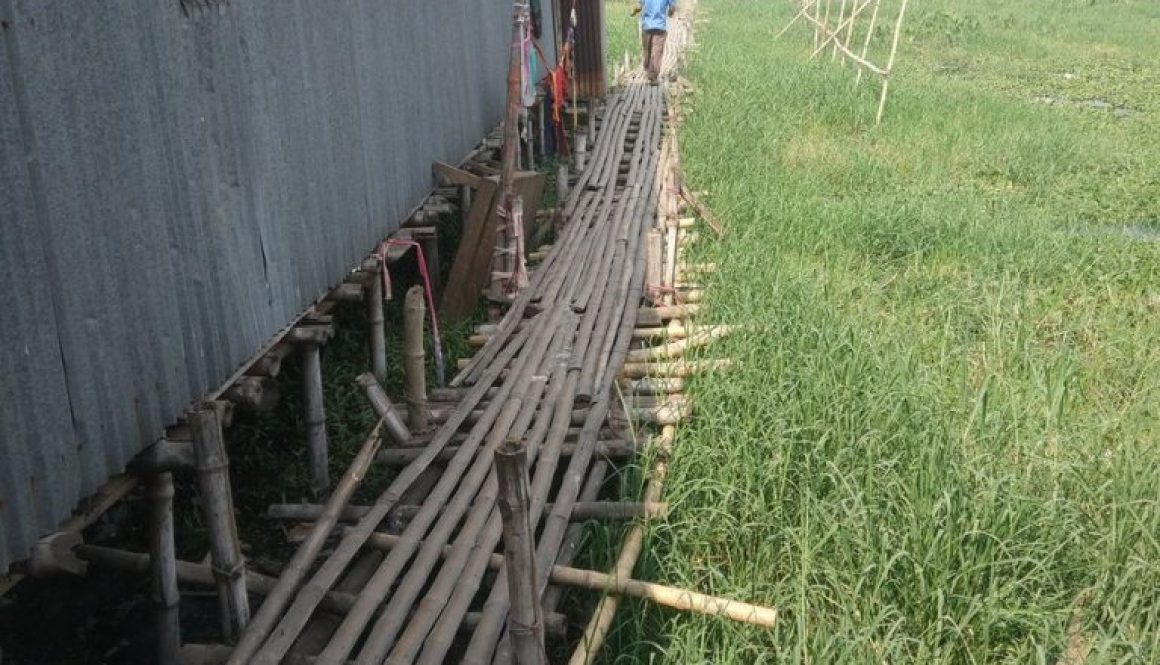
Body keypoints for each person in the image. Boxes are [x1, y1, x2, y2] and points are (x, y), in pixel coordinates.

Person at [631, 0, 677, 85]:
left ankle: (647, 69)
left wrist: (633, 12)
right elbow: (672, 8)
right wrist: (670, 14)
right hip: (660, 26)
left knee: (647, 50)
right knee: (657, 52)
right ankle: (652, 77)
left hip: (647, 25)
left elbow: (638, 6)